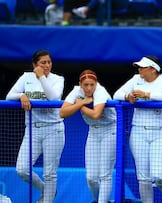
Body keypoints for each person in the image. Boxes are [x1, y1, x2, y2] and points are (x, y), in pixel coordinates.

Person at [113, 56, 162, 203]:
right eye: (139, 67)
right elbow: (116, 94)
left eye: (143, 67)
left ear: (153, 69)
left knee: (159, 176)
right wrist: (128, 96)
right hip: (138, 131)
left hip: (161, 132)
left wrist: (146, 95)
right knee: (143, 177)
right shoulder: (136, 79)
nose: (140, 69)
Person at [6, 49, 65, 203]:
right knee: (22, 169)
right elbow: (9, 96)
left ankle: (48, 199)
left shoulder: (58, 79)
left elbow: (53, 98)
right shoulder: (26, 77)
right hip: (32, 129)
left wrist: (41, 77)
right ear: (34, 64)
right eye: (42, 63)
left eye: (49, 62)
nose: (46, 65)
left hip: (54, 129)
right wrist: (21, 95)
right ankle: (46, 190)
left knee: (49, 173)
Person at [59, 69, 116, 203]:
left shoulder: (100, 91)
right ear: (80, 84)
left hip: (110, 131)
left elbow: (96, 115)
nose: (89, 88)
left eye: (92, 85)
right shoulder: (76, 91)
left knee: (105, 175)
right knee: (91, 177)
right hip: (93, 132)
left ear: (96, 84)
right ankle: (98, 200)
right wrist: (80, 103)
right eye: (86, 85)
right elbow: (62, 113)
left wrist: (80, 105)